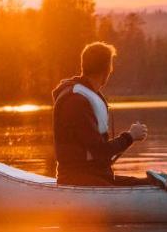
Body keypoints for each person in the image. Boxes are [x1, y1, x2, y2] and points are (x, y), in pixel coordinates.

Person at [52, 41, 150, 186]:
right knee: (147, 185)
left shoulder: (83, 96)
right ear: (107, 69)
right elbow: (99, 152)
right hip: (79, 181)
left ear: (84, 66)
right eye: (110, 66)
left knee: (150, 182)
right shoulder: (76, 102)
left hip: (98, 177)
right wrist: (130, 136)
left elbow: (98, 154)